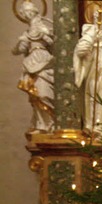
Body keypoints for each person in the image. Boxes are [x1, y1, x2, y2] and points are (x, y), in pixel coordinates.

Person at [11, 0, 55, 134]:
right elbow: (16, 51)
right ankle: (41, 125)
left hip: (44, 62)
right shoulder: (27, 32)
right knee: (34, 94)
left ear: (35, 12)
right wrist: (21, 41)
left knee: (44, 92)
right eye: (25, 13)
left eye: (29, 12)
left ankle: (51, 123)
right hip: (31, 62)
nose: (27, 15)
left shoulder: (44, 26)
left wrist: (45, 35)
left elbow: (55, 45)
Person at [73, 7, 102, 134]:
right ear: (95, 19)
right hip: (94, 72)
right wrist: (92, 40)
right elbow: (81, 50)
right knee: (94, 98)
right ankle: (93, 126)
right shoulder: (90, 32)